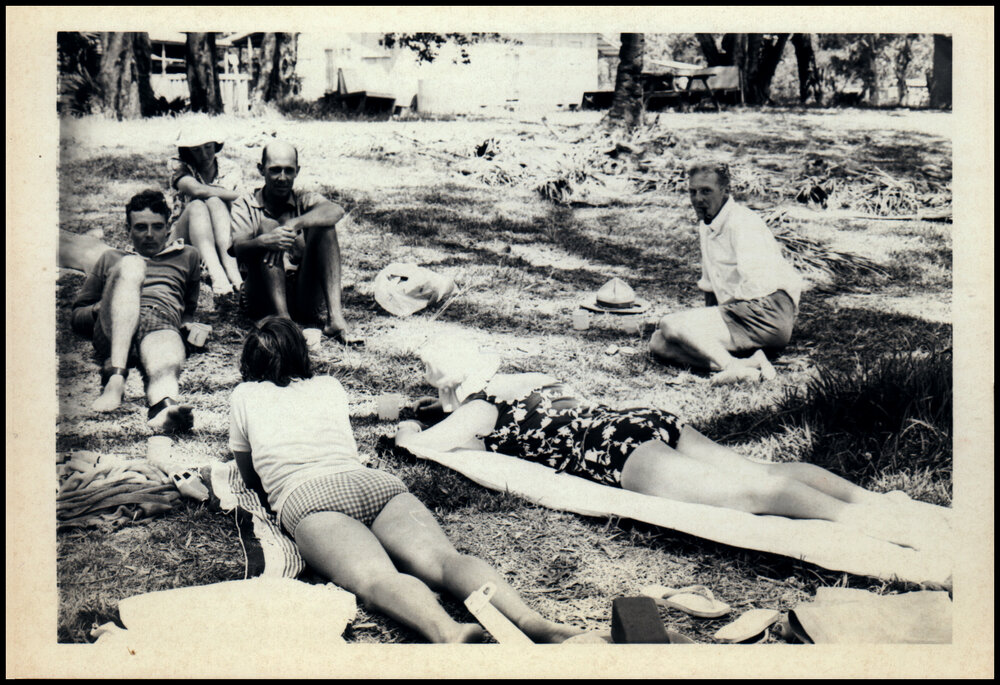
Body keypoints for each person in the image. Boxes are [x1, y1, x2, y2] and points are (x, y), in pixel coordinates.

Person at [395, 343, 951, 553]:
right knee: (762, 467)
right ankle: (867, 505)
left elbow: (420, 446)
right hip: (637, 419)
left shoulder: (480, 407)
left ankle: (867, 526)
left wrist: (420, 423)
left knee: (751, 494)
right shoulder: (528, 380)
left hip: (612, 450)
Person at [228, 317, 581, 644]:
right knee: (444, 561)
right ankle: (531, 620)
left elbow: (248, 476)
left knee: (378, 579)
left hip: (308, 496)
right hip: (369, 482)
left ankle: (447, 631)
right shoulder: (329, 385)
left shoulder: (244, 395)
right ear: (301, 355)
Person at [650, 162, 805, 385]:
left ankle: (731, 367)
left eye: (706, 191)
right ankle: (749, 363)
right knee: (659, 343)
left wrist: (704, 322)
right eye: (692, 191)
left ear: (725, 191)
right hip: (739, 313)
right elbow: (710, 285)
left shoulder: (742, 222)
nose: (698, 199)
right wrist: (703, 331)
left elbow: (757, 285)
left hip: (767, 310)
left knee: (671, 324)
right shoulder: (707, 223)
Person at [70, 190, 202, 433]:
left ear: (168, 227)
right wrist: (103, 307)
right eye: (141, 227)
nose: (149, 235)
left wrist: (188, 324)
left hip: (159, 321)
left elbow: (188, 306)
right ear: (127, 229)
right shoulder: (111, 258)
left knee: (165, 361)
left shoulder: (188, 256)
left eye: (157, 227)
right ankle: (116, 378)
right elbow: (77, 317)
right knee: (133, 264)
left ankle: (164, 408)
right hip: (113, 327)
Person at [230, 140, 362, 345]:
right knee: (268, 226)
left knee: (325, 226)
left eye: (288, 171)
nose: (282, 178)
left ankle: (335, 319)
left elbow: (335, 211)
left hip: (302, 294)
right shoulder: (245, 204)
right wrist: (265, 241)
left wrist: (294, 223)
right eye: (274, 170)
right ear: (261, 170)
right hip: (261, 297)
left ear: (297, 171)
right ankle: (284, 321)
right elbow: (239, 249)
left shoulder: (303, 199)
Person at [167, 127, 244, 301]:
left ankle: (236, 278)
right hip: (183, 238)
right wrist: (240, 194)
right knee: (197, 206)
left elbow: (237, 208)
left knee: (215, 201)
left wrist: (220, 198)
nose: (204, 154)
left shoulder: (230, 168)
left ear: (216, 145)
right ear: (187, 151)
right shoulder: (179, 165)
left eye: (208, 147)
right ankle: (219, 280)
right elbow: (196, 189)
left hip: (222, 235)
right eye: (196, 150)